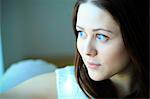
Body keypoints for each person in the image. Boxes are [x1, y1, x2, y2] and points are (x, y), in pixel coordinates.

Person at [0, 0, 149, 98]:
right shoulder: (69, 86)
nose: (86, 50)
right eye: (81, 33)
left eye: (101, 36)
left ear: (136, 36)